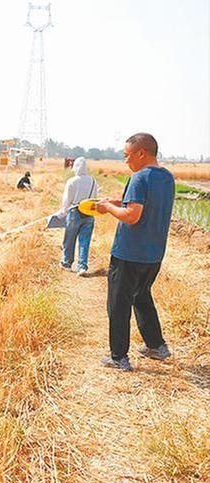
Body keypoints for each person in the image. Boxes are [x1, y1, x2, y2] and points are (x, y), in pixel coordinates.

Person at [95, 133, 175, 372]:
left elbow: (132, 216)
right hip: (154, 255)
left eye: (127, 155)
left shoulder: (139, 177)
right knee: (141, 296)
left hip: (129, 254)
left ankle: (118, 357)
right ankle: (156, 346)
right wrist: (116, 202)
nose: (125, 160)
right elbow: (143, 205)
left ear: (141, 153)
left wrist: (107, 207)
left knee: (119, 304)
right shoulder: (166, 177)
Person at [54, 156, 99, 276]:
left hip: (74, 212)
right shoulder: (93, 181)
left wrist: (62, 212)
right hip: (89, 213)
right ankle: (82, 267)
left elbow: (67, 200)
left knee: (69, 239)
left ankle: (66, 263)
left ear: (76, 167)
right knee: (85, 241)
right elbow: (95, 198)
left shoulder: (72, 181)